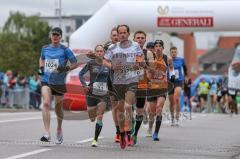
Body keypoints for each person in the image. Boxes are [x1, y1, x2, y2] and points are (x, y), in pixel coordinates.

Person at [103, 24, 143, 149]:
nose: (122, 34)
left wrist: (138, 62)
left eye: (125, 32)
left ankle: (128, 133)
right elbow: (104, 61)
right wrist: (111, 66)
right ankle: (121, 133)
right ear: (118, 34)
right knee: (120, 110)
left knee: (128, 106)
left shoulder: (135, 45)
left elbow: (141, 56)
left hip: (132, 80)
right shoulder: (112, 48)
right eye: (120, 33)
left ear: (128, 33)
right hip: (118, 82)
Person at [39, 27, 78, 144]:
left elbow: (75, 63)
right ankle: (46, 133)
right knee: (46, 103)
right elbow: (41, 58)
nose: (55, 37)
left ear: (60, 37)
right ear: (50, 36)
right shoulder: (45, 48)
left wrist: (66, 68)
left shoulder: (65, 49)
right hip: (46, 80)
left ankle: (59, 128)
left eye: (57, 35)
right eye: (53, 35)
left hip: (59, 83)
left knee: (58, 108)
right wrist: (41, 69)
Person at [79, 45, 110, 147]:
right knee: (92, 117)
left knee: (100, 116)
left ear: (104, 53)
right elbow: (80, 74)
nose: (100, 53)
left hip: (103, 94)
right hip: (91, 92)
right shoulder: (91, 63)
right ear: (95, 53)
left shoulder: (108, 64)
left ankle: (95, 140)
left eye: (102, 51)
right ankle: (94, 114)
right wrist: (84, 85)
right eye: (98, 51)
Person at [146, 40, 174, 141]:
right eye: (156, 46)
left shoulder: (168, 58)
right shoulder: (150, 58)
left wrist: (172, 75)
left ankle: (156, 133)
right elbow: (147, 72)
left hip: (162, 87)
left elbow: (171, 68)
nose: (157, 48)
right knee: (151, 112)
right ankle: (150, 127)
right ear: (154, 48)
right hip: (152, 87)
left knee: (159, 109)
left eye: (159, 46)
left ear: (162, 48)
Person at [168, 46, 188, 126]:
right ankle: (172, 117)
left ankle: (177, 117)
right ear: (170, 53)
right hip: (169, 82)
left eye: (175, 52)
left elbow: (185, 68)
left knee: (176, 99)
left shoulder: (181, 60)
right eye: (172, 52)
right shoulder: (167, 59)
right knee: (171, 101)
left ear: (177, 52)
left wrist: (186, 76)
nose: (173, 53)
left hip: (178, 81)